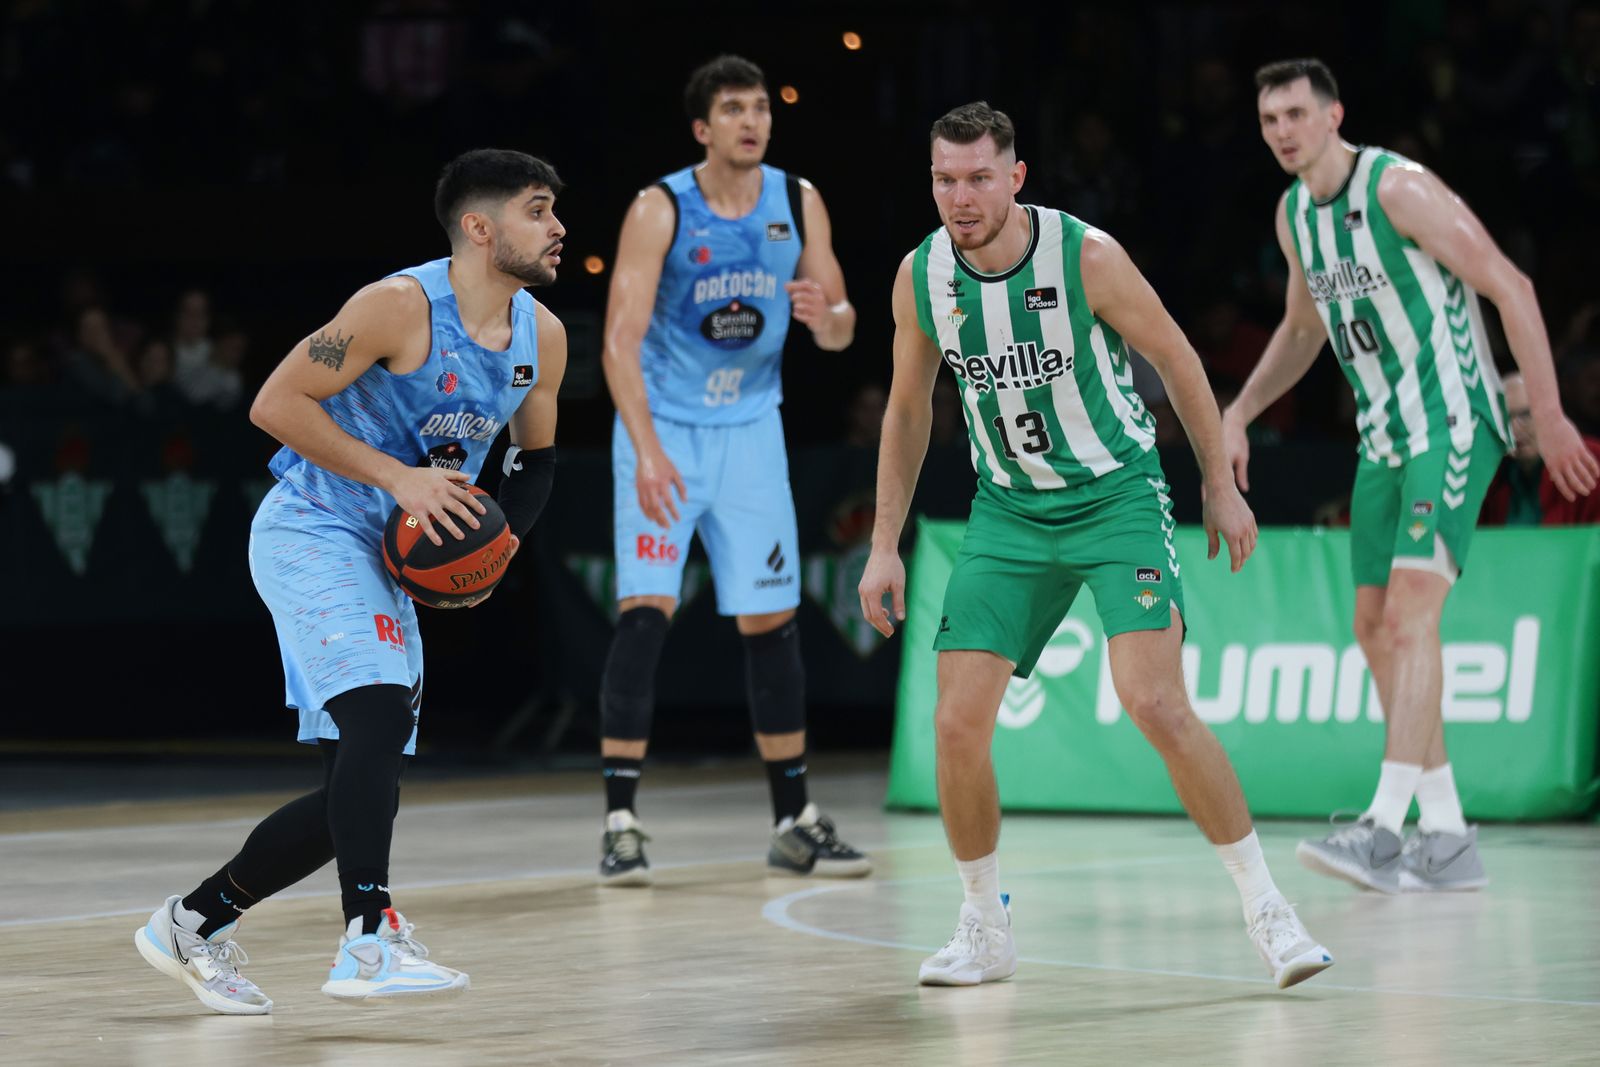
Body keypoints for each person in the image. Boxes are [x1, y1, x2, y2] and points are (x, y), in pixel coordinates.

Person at [857, 102, 1332, 989]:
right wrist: (885, 541)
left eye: (978, 178)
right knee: (956, 722)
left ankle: (1269, 908)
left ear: (1016, 177)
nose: (960, 197)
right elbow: (908, 409)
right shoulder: (920, 278)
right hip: (1008, 510)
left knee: (1154, 702)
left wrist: (1220, 487)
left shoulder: (1086, 256)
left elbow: (1181, 359)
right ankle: (982, 924)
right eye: (944, 180)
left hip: (1115, 493)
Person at [134, 148, 568, 1012]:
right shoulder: (397, 307)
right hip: (317, 526)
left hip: (393, 560)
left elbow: (535, 458)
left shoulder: (539, 337)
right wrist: (399, 477)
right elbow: (275, 403)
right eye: (538, 209)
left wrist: (499, 549)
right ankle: (368, 939)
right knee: (372, 721)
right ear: (479, 228)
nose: (558, 228)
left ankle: (190, 921)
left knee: (357, 787)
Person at [1223, 59, 1599, 893]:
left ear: (1332, 115)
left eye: (1294, 114)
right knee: (1370, 624)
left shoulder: (1398, 190)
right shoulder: (1295, 218)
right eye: (1268, 120)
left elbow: (1513, 285)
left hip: (1455, 420)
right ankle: (1451, 835)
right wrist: (1239, 411)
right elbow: (1298, 331)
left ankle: (1385, 826)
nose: (1281, 131)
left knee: (1409, 617)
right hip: (1384, 436)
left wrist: (1553, 410)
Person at [595, 54, 868, 885]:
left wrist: (831, 318)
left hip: (752, 430)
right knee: (646, 613)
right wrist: (645, 449)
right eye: (733, 109)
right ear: (702, 128)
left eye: (760, 108)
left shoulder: (799, 198)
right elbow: (618, 341)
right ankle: (621, 823)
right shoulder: (659, 206)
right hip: (667, 428)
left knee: (771, 623)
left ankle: (793, 818)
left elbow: (844, 328)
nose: (752, 121)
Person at [1480, 372, 1600, 524]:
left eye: (1526, 414)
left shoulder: (1592, 459)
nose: (1515, 428)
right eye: (1505, 418)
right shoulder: (1489, 477)